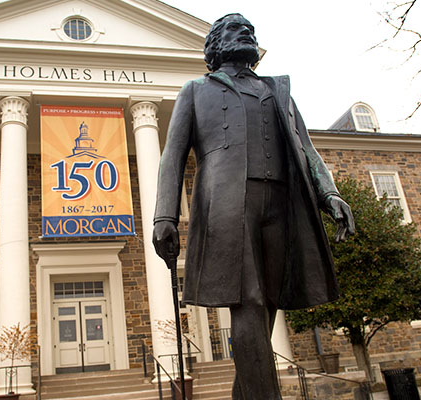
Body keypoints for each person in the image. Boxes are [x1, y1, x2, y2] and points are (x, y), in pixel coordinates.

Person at [152, 13, 355, 399]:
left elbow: (306, 148)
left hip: (282, 204)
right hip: (227, 204)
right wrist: (165, 216)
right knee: (249, 300)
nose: (246, 32)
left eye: (250, 29)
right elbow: (172, 155)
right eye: (235, 28)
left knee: (269, 302)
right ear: (215, 44)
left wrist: (329, 195)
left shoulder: (277, 91)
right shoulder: (195, 90)